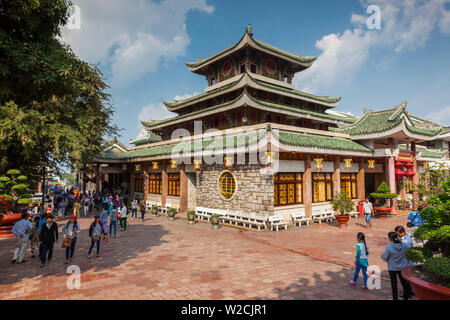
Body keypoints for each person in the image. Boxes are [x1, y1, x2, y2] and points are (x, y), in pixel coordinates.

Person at [381, 232, 413, 300]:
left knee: (394, 284)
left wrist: (385, 258)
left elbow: (385, 257)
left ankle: (395, 298)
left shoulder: (389, 246)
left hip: (392, 267)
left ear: (390, 238)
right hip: (402, 267)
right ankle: (406, 297)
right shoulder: (404, 245)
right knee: (404, 283)